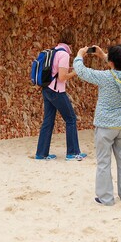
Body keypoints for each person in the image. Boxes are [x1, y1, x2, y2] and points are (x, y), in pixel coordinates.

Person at [73, 44, 121, 206]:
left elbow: (81, 71)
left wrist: (80, 55)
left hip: (106, 125)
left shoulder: (105, 77)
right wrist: (103, 55)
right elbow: (120, 65)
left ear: (111, 62)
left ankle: (106, 198)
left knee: (103, 162)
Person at [35, 28, 86, 161]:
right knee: (71, 119)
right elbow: (62, 77)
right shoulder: (64, 55)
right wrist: (76, 72)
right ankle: (72, 153)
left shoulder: (54, 51)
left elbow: (55, 71)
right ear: (71, 41)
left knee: (48, 121)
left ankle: (41, 154)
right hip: (57, 91)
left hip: (46, 89)